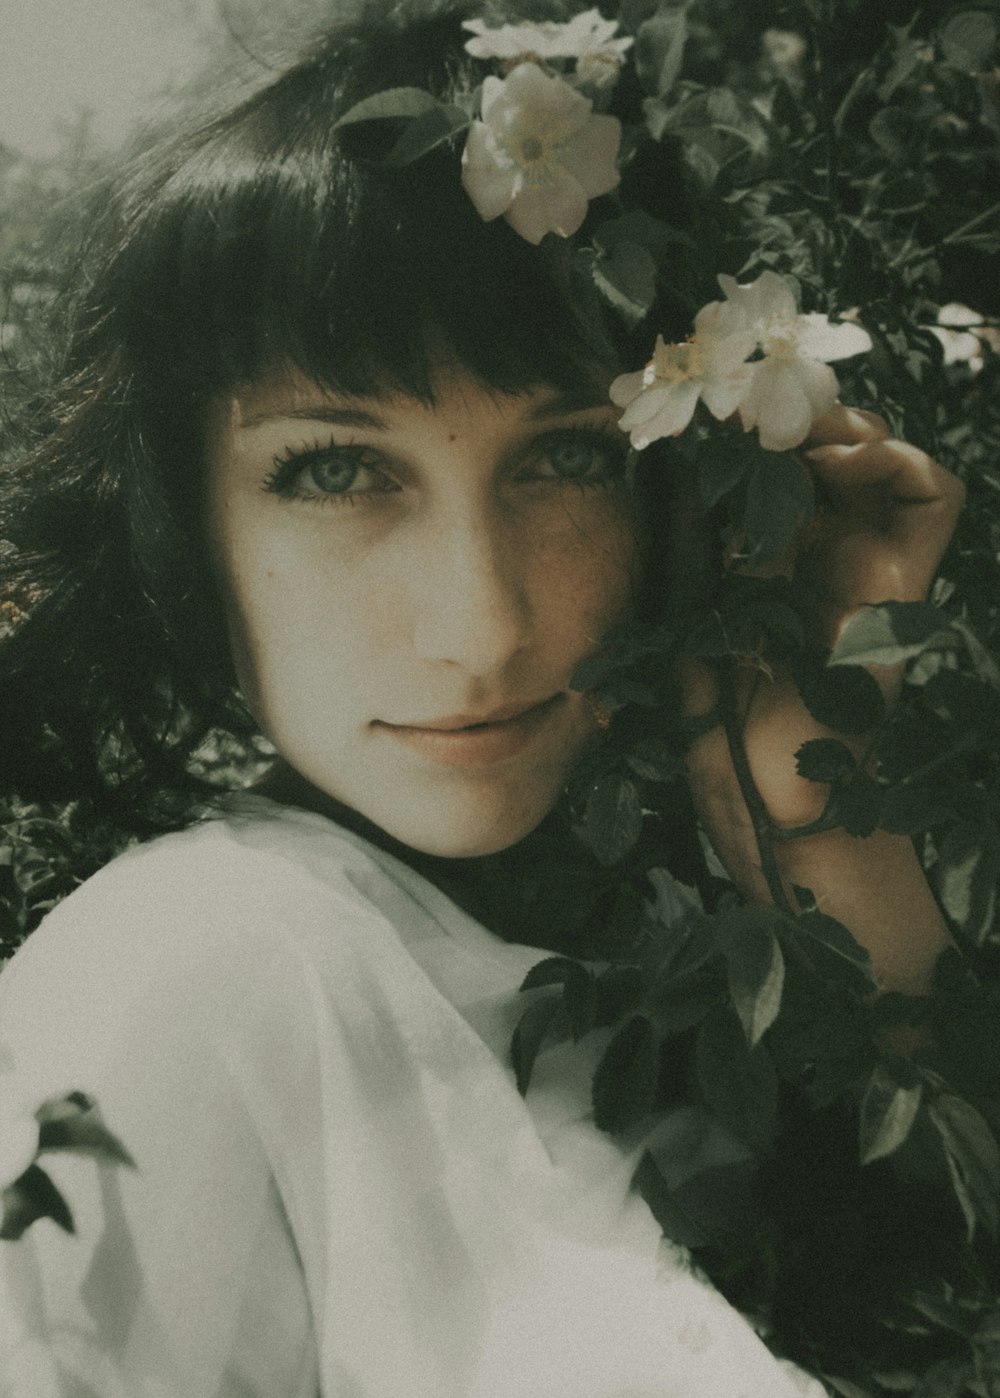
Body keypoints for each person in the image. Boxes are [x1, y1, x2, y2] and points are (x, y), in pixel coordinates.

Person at [0, 4, 965, 1395]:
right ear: (186, 526)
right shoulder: (188, 973)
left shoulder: (651, 932)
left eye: (569, 459)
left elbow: (933, 1284)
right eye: (336, 471)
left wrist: (816, 797)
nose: (483, 627)